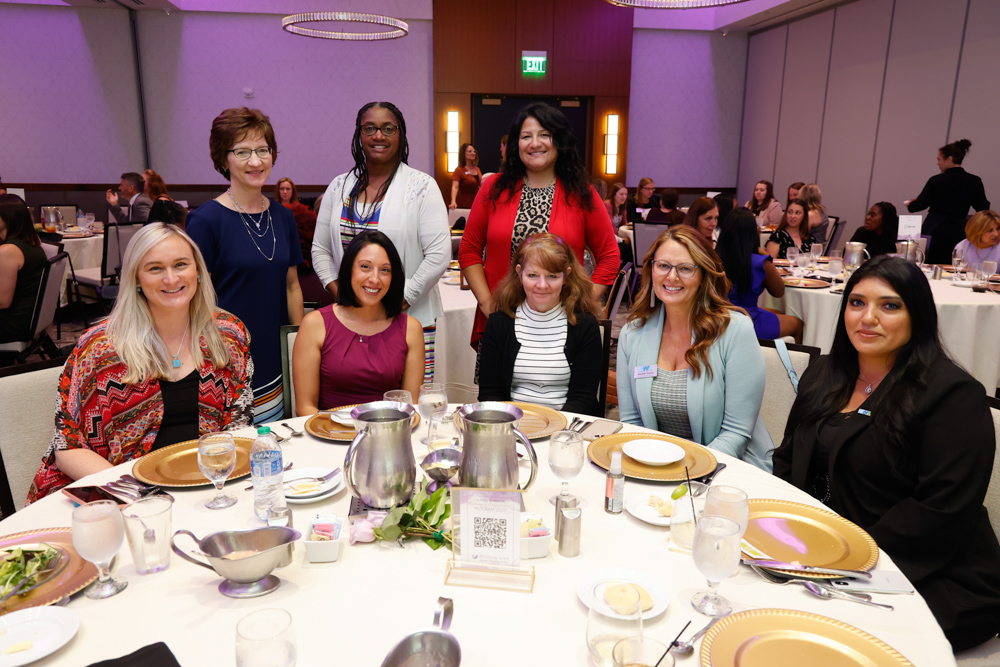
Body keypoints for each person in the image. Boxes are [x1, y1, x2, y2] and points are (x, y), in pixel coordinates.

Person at [774, 255, 1000, 651]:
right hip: (825, 551)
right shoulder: (824, 373)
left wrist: (843, 559)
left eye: (890, 305)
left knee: (813, 641)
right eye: (857, 302)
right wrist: (779, 531)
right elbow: (789, 460)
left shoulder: (951, 395)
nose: (868, 317)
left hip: (927, 571)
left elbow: (941, 511)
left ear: (918, 317)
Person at [25, 223, 253, 504]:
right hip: (114, 493)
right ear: (136, 278)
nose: (171, 278)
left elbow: (238, 427)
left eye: (181, 264)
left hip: (204, 487)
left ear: (198, 271)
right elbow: (68, 449)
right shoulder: (99, 349)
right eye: (155, 268)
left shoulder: (227, 334)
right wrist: (139, 496)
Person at [459, 102, 619, 353]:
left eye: (544, 134)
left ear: (559, 140)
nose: (535, 143)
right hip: (503, 321)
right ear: (516, 144)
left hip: (562, 325)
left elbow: (609, 257)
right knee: (500, 391)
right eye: (526, 136)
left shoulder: (581, 193)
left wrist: (582, 305)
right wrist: (487, 303)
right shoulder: (493, 188)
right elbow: (469, 250)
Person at [313, 101, 450, 382]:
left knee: (409, 407)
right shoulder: (339, 186)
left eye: (388, 128)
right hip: (350, 320)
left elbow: (438, 254)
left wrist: (401, 299)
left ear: (401, 135)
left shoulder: (422, 187)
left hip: (410, 317)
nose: (379, 135)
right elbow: (321, 249)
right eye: (370, 128)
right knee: (357, 402)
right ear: (359, 136)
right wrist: (340, 293)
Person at [617, 225, 773, 471]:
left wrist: (685, 474)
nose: (671, 277)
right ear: (651, 269)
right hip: (654, 467)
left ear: (704, 276)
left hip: (727, 469)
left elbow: (736, 434)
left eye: (685, 269)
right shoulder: (632, 334)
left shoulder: (734, 331)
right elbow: (632, 422)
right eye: (663, 265)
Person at [186, 107, 304, 424]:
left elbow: (292, 286)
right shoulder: (205, 220)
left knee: (277, 445)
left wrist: (299, 348)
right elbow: (197, 298)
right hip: (226, 356)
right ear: (223, 159)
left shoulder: (283, 216)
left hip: (275, 352)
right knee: (235, 453)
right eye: (242, 151)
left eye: (263, 150)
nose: (256, 161)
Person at [292, 232, 423, 413]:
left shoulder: (411, 329)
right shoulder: (315, 324)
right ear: (349, 269)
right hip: (327, 434)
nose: (375, 279)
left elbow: (410, 406)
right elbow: (305, 408)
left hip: (387, 432)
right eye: (365, 267)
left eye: (385, 270)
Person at [478, 234, 603, 416]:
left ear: (566, 276)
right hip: (511, 426)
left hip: (565, 429)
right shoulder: (499, 323)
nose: (542, 285)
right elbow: (490, 394)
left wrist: (555, 429)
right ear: (519, 274)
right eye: (533, 275)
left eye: (552, 276)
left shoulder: (584, 325)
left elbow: (584, 398)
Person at [716, 209, 803, 342]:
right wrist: (763, 254)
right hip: (748, 321)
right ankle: (786, 361)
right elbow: (778, 291)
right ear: (753, 232)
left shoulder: (713, 259)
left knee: (777, 313)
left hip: (717, 318)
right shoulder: (759, 263)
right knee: (797, 324)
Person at [907, 139, 991, 265]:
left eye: (939, 159)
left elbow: (919, 205)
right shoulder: (974, 181)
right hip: (959, 230)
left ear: (949, 159)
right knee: (953, 265)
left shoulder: (936, 180)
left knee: (928, 264)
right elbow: (983, 207)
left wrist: (910, 204)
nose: (937, 163)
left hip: (934, 229)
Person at [0, 195, 47, 344]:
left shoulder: (8, 250)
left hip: (11, 324)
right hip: (28, 319)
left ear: (8, 218)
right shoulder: (32, 243)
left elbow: (2, 302)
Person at [450, 143, 482, 210]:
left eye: (474, 151)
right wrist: (453, 201)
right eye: (470, 151)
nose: (473, 153)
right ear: (463, 154)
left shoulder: (477, 169)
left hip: (476, 204)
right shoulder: (459, 170)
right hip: (464, 205)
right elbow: (455, 187)